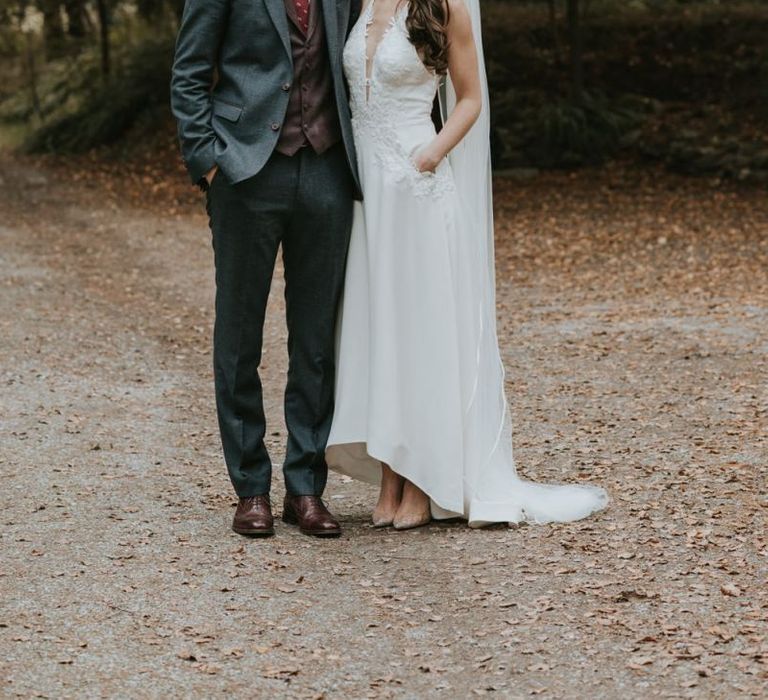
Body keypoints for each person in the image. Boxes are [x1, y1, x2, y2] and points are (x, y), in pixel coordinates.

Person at [325, 0, 609, 528]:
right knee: (380, 331)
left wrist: (432, 152)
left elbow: (471, 98)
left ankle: (425, 482)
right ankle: (390, 479)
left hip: (416, 185)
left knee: (421, 333)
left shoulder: (445, 6)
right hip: (367, 196)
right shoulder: (360, 5)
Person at [171, 0, 362, 537]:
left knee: (316, 336)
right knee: (238, 334)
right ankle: (250, 487)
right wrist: (207, 160)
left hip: (326, 173)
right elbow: (188, 70)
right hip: (244, 171)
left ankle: (306, 487)